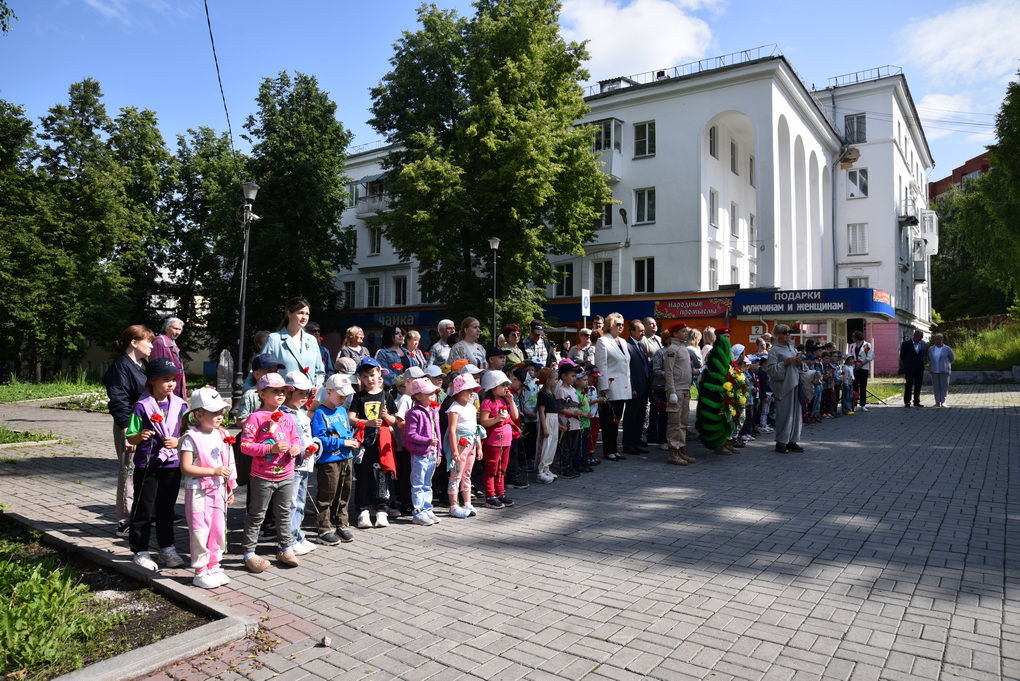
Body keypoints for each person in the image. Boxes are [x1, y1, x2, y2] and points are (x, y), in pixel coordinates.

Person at [125, 357, 188, 571]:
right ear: (152, 381)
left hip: (172, 464)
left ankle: (166, 548)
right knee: (143, 508)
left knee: (166, 509)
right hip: (147, 465)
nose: (171, 384)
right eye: (165, 379)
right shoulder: (142, 406)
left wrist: (178, 441)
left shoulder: (181, 405)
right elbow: (131, 436)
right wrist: (140, 435)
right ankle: (140, 551)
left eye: (173, 379)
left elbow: (189, 432)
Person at [239, 373, 302, 573]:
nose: (281, 394)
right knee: (257, 515)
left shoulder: (287, 416)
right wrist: (270, 449)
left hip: (286, 474)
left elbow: (296, 439)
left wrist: (297, 448)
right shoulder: (255, 417)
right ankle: (249, 553)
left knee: (284, 513)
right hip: (262, 476)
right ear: (262, 393)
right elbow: (245, 446)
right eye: (275, 391)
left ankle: (286, 548)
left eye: (283, 391)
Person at [178, 387, 236, 588]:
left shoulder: (223, 434)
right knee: (200, 529)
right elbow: (185, 467)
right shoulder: (191, 437)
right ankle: (201, 570)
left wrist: (229, 487)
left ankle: (214, 565)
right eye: (214, 412)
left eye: (221, 412)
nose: (219, 416)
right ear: (199, 415)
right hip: (199, 492)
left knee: (218, 528)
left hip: (218, 489)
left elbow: (228, 462)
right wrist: (213, 471)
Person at [103, 325, 154, 537]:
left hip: (145, 424)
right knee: (129, 472)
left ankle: (142, 514)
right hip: (130, 425)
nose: (151, 346)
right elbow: (118, 400)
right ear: (134, 342)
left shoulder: (142, 364)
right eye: (148, 341)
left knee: (145, 470)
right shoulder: (121, 366)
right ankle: (125, 520)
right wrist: (127, 431)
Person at [349, 358, 398, 529]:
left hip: (382, 444)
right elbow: (351, 418)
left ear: (379, 374)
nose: (369, 379)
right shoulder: (358, 397)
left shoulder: (387, 396)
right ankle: (363, 510)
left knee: (382, 474)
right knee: (363, 475)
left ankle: (381, 509)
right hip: (365, 443)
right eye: (365, 376)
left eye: (372, 375)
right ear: (360, 379)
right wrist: (367, 423)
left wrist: (386, 417)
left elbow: (394, 421)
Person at [310, 373, 359, 545]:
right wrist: (343, 442)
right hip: (329, 460)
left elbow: (346, 431)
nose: (344, 399)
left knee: (344, 492)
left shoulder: (342, 411)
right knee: (327, 493)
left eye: (346, 396)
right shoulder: (320, 413)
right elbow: (320, 439)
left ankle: (341, 523)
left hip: (346, 457)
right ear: (329, 392)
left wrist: (351, 440)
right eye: (340, 396)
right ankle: (323, 528)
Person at [281, 371, 319, 556]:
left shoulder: (300, 412)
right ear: (289, 392)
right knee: (291, 503)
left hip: (304, 463)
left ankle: (298, 536)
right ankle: (289, 540)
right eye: (300, 393)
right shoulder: (283, 413)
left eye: (307, 393)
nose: (304, 397)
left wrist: (314, 446)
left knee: (300, 502)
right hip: (293, 465)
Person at [402, 378, 444, 526]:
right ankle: (418, 513)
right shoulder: (413, 413)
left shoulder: (433, 411)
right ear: (418, 396)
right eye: (429, 393)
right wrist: (427, 441)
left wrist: (439, 452)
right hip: (419, 453)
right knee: (418, 484)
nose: (433, 394)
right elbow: (410, 435)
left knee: (427, 484)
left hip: (432, 453)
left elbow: (437, 432)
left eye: (433, 392)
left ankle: (427, 509)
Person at [262, 297, 326, 392]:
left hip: (308, 396)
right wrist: (249, 389)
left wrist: (316, 388)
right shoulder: (274, 339)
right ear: (289, 314)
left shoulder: (312, 340)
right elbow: (261, 369)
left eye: (307, 314)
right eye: (300, 313)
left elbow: (319, 371)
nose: (304, 317)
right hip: (283, 395)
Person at [594, 312, 632, 461]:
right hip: (610, 386)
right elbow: (601, 366)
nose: (621, 327)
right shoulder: (603, 341)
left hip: (623, 386)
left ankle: (614, 449)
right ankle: (608, 450)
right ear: (610, 325)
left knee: (617, 420)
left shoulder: (623, 342)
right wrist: (603, 387)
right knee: (609, 420)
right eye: (618, 324)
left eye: (623, 324)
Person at [445, 373, 484, 516]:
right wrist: (455, 450)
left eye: (474, 390)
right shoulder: (454, 408)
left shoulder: (472, 408)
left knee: (467, 474)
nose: (473, 393)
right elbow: (452, 430)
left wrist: (479, 446)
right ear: (459, 391)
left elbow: (475, 428)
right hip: (460, 445)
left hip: (471, 444)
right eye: (469, 390)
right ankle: (453, 505)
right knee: (456, 475)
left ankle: (467, 503)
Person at [479, 370, 519, 508]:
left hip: (506, 440)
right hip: (493, 442)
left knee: (502, 469)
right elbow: (483, 421)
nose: (506, 388)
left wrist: (511, 401)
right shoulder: (487, 402)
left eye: (506, 385)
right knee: (491, 469)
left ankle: (500, 493)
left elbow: (515, 416)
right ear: (493, 386)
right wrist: (495, 419)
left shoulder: (504, 400)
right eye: (503, 385)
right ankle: (490, 495)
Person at [766, 324, 805, 453]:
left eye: (789, 332)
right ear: (777, 335)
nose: (788, 334)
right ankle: (781, 442)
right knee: (785, 415)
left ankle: (792, 441)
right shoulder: (774, 350)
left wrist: (800, 363)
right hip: (784, 386)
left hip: (795, 383)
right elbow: (771, 370)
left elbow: (800, 366)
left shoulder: (792, 347)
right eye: (784, 332)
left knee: (796, 415)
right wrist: (785, 363)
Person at [663, 323, 695, 466]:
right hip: (677, 390)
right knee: (675, 423)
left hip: (685, 389)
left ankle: (680, 449)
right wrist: (671, 391)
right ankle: (673, 452)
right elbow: (669, 372)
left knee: (683, 423)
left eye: (686, 331)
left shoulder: (683, 349)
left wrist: (699, 371)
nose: (686, 333)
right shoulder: (672, 349)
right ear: (675, 334)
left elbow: (685, 369)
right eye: (683, 331)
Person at [623, 319, 651, 456]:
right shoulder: (627, 345)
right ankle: (628, 444)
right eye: (640, 331)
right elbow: (628, 370)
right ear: (632, 331)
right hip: (634, 387)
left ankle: (635, 441)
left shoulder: (641, 345)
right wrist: (632, 387)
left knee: (640, 416)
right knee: (631, 417)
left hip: (644, 386)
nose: (643, 333)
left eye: (643, 331)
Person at [554, 360, 583, 479]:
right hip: (566, 424)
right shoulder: (561, 390)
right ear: (564, 376)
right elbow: (560, 408)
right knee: (565, 446)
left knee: (573, 447)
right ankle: (563, 467)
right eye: (572, 376)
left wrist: (579, 406)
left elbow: (572, 404)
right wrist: (572, 413)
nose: (574, 378)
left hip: (575, 423)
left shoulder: (572, 389)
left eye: (575, 376)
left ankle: (569, 465)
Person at [534, 367, 561, 483]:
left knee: (552, 444)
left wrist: (558, 424)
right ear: (548, 380)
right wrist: (545, 427)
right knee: (545, 445)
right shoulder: (543, 394)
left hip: (553, 419)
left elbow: (554, 412)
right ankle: (540, 470)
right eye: (555, 379)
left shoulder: (552, 394)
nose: (557, 381)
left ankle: (546, 467)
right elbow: (541, 411)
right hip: (546, 420)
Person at [150, 317, 187, 399]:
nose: (178, 332)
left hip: (174, 384)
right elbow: (155, 368)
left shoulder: (173, 344)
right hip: (164, 389)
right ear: (167, 328)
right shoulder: (159, 342)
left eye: (180, 330)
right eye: (175, 329)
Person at [928, 334, 956, 407]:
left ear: (942, 340)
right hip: (934, 370)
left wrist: (946, 364)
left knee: (944, 386)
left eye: (939, 339)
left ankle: (943, 401)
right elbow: (929, 358)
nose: (937, 341)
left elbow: (952, 358)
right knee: (936, 387)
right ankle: (937, 402)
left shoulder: (947, 349)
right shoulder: (931, 349)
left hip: (944, 370)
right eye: (936, 339)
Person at [900, 330, 927, 407]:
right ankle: (907, 401)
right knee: (909, 384)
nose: (922, 338)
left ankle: (916, 401)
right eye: (921, 336)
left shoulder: (923, 343)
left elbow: (923, 355)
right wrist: (907, 363)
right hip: (909, 368)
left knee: (918, 385)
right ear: (916, 335)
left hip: (919, 368)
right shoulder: (906, 343)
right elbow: (902, 355)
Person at [849, 330, 874, 412]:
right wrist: (854, 363)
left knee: (863, 386)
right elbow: (850, 355)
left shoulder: (867, 345)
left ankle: (863, 404)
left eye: (853, 336)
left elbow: (870, 356)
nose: (852, 338)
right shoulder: (852, 346)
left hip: (863, 368)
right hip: (854, 367)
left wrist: (861, 364)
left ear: (858, 337)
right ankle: (854, 404)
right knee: (855, 386)